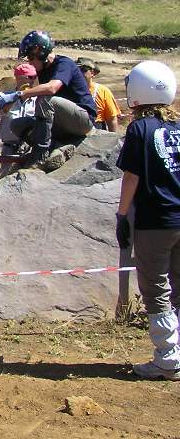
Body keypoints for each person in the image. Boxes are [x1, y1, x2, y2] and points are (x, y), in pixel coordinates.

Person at [115, 60, 180, 380]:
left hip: (156, 220)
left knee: (156, 288)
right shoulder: (178, 127)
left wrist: (122, 215)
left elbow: (131, 176)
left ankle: (167, 358)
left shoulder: (139, 129)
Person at [0, 30, 97, 169]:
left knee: (46, 99)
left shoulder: (64, 64)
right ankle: (58, 147)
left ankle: (40, 156)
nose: (30, 62)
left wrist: (19, 94)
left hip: (83, 119)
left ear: (41, 53)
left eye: (31, 58)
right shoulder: (43, 70)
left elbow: (52, 88)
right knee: (17, 125)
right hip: (61, 121)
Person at [0, 63, 39, 154]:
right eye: (30, 77)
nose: (33, 80)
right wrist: (20, 94)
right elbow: (2, 108)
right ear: (19, 78)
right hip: (9, 148)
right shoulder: (4, 96)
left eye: (35, 77)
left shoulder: (37, 100)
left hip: (29, 148)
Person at [76, 57, 121, 131]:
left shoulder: (103, 91)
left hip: (97, 132)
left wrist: (113, 136)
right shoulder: (68, 89)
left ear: (92, 73)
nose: (79, 73)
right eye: (77, 70)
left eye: (83, 70)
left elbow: (112, 119)